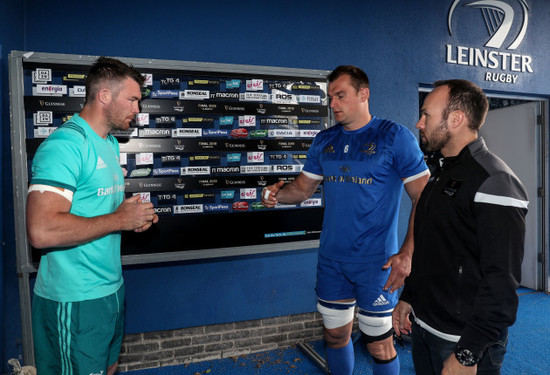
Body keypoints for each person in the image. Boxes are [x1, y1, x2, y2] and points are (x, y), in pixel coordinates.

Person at [262, 65, 429, 375]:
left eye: (340, 95)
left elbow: (424, 198)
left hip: (377, 263)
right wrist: (274, 195)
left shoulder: (394, 137)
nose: (333, 104)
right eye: (330, 97)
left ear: (363, 94)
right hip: (332, 260)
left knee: (378, 343)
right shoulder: (324, 140)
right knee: (335, 336)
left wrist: (407, 254)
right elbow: (301, 189)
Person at [26, 57, 159, 375]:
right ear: (104, 96)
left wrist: (132, 216)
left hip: (110, 288)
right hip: (74, 298)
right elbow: (41, 230)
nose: (137, 109)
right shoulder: (65, 146)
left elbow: (98, 212)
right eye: (132, 99)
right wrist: (119, 220)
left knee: (109, 366)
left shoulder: (109, 144)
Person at [392, 79, 528, 375]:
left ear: (455, 119)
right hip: (425, 327)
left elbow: (502, 284)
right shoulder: (439, 173)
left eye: (427, 114)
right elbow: (430, 247)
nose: (419, 123)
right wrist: (408, 297)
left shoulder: (495, 181)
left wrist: (468, 353)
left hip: (462, 341)